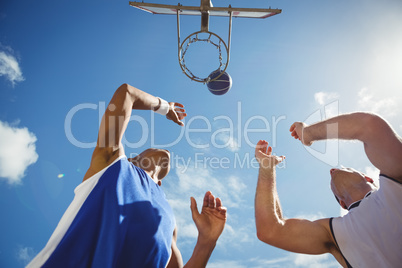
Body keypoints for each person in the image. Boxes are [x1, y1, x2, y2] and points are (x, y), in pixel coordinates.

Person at [28, 83, 227, 268]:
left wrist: (206, 242)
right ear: (132, 159)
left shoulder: (168, 218)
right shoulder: (112, 162)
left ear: (160, 182)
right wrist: (165, 107)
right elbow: (127, 93)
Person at [254, 112, 402, 268]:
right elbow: (270, 231)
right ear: (342, 204)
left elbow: (368, 125)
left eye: (346, 168)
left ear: (369, 178)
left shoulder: (395, 181)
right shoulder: (334, 233)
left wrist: (307, 133)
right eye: (331, 183)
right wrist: (266, 168)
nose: (332, 171)